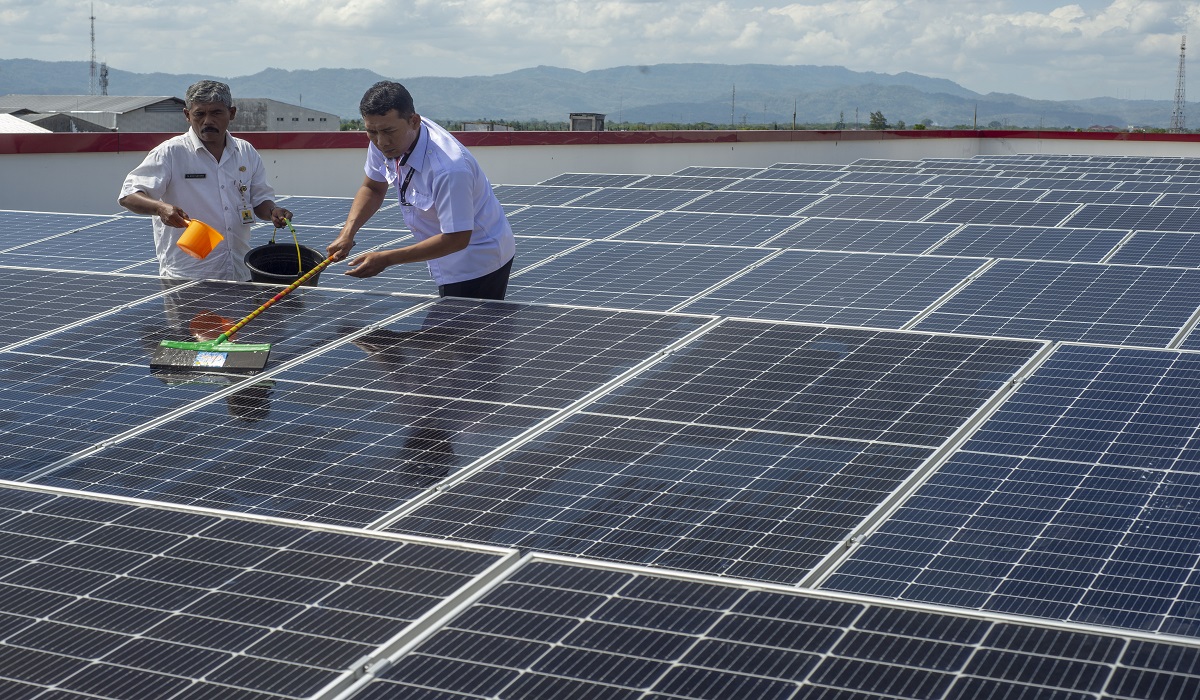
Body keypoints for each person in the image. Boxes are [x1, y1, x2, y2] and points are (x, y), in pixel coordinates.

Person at [326, 81, 515, 299]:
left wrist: (386, 258)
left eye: (388, 131)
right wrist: (347, 233)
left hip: (476, 261)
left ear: (414, 121)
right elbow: (373, 187)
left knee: (465, 330)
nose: (381, 141)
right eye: (371, 132)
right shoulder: (386, 139)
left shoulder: (449, 169)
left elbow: (457, 239)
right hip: (444, 253)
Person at [118, 80, 293, 281]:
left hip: (240, 272)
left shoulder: (246, 152)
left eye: (216, 113)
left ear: (232, 113)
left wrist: (273, 212)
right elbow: (129, 195)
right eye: (199, 114)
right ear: (187, 115)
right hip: (188, 276)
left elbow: (260, 200)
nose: (208, 121)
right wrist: (160, 208)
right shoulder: (171, 152)